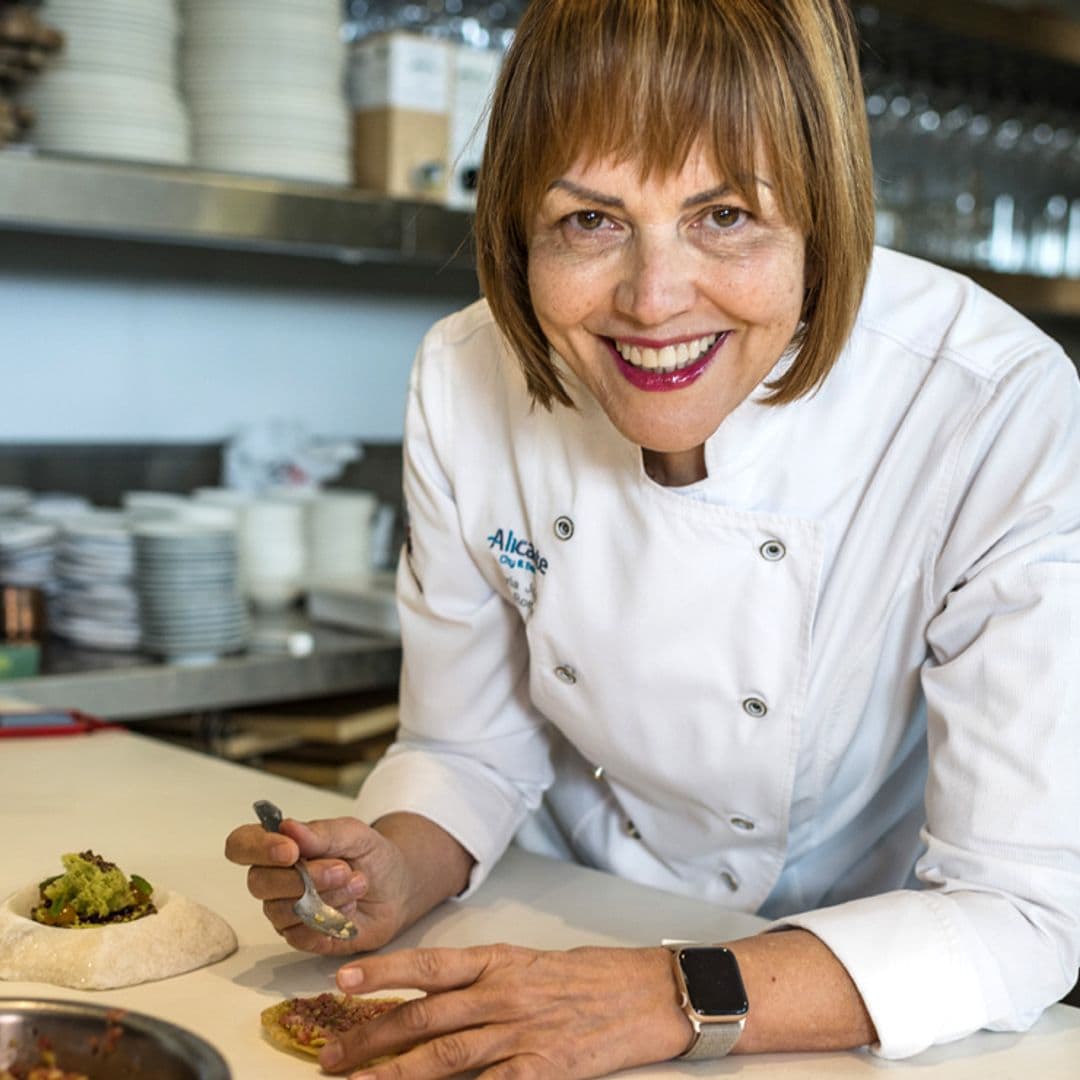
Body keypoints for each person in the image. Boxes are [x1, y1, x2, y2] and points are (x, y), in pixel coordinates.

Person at [225, 0, 1080, 1075]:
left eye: (725, 216)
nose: (654, 301)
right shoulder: (464, 374)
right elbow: (465, 747)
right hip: (546, 945)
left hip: (852, 998)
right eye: (591, 221)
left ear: (825, 216)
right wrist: (395, 867)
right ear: (516, 228)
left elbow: (1023, 909)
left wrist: (678, 993)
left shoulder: (989, 402)